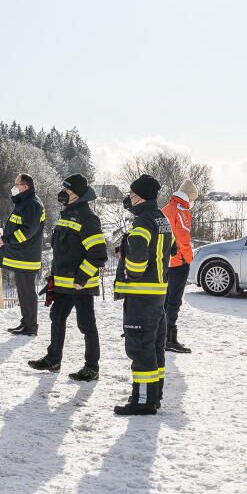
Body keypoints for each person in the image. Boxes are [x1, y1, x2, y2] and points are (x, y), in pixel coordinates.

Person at [27, 174, 106, 381]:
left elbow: (98, 254)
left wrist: (81, 278)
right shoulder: (66, 215)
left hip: (80, 285)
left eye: (67, 191)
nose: (62, 193)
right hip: (63, 283)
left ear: (77, 195)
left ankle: (92, 367)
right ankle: (53, 359)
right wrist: (53, 276)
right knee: (57, 318)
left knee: (86, 325)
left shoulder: (88, 218)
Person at [114, 174, 175, 416]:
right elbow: (172, 248)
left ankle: (142, 401)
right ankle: (154, 396)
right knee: (154, 348)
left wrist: (127, 261)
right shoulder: (162, 219)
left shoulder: (141, 223)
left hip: (141, 294)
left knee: (140, 348)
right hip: (158, 293)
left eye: (130, 193)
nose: (128, 197)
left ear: (139, 196)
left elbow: (138, 263)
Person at [0, 172, 45, 336]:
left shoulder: (33, 204)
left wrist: (6, 240)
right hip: (21, 257)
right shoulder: (25, 203)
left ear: (25, 186)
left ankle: (31, 327)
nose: (13, 188)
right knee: (23, 294)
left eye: (16, 185)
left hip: (26, 258)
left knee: (28, 294)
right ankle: (26, 323)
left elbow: (28, 231)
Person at [163, 179, 198, 354]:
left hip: (165, 261)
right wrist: (188, 258)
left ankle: (160, 336)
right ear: (189, 197)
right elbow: (183, 238)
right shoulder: (181, 210)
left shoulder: (166, 209)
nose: (192, 203)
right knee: (174, 301)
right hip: (178, 261)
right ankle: (170, 338)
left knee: (165, 299)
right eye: (193, 199)